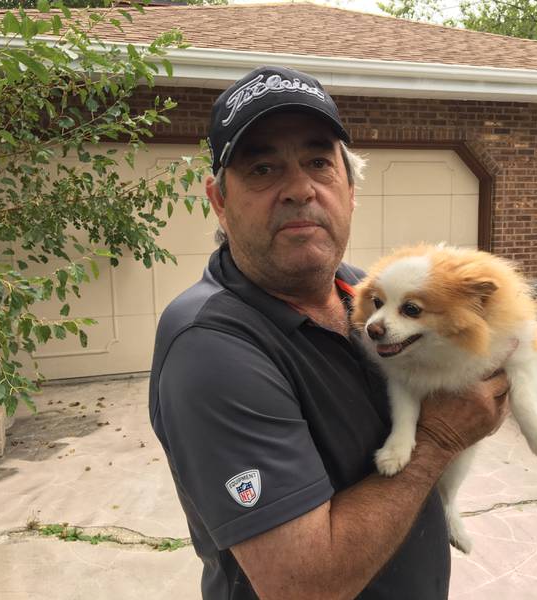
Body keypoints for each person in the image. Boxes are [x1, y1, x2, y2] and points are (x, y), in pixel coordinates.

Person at [149, 65, 510, 600]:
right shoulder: (211, 347)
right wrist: (438, 439)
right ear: (220, 201)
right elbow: (301, 585)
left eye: (319, 162)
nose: (299, 189)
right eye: (263, 168)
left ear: (350, 188)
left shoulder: (365, 292)